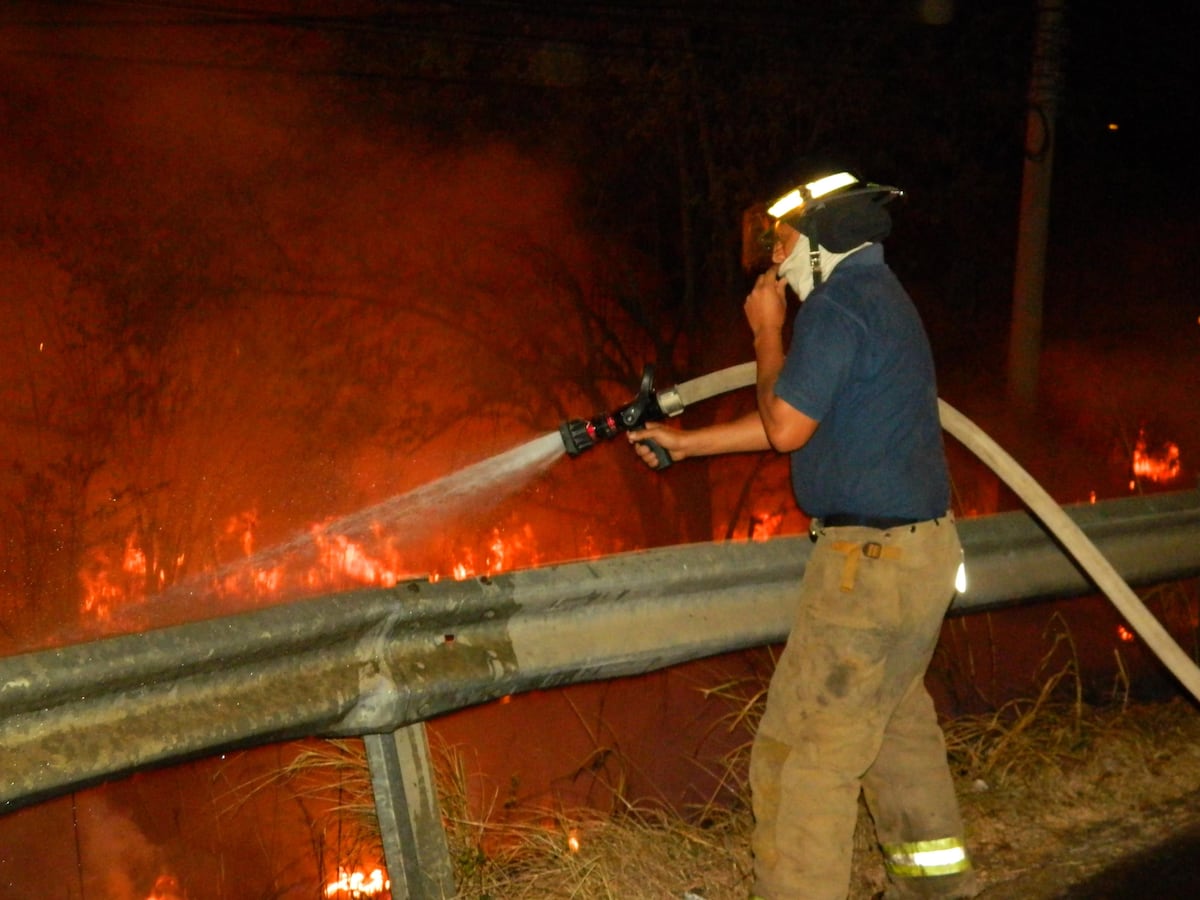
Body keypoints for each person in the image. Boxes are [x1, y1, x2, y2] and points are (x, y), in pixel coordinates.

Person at [627, 171, 976, 899]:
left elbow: (784, 425)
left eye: (784, 243)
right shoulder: (882, 300)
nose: (774, 262)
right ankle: (938, 890)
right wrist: (688, 445)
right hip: (921, 558)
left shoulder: (838, 309)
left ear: (825, 245)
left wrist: (765, 333)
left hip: (868, 571)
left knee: (800, 760)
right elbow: (798, 417)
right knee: (896, 737)